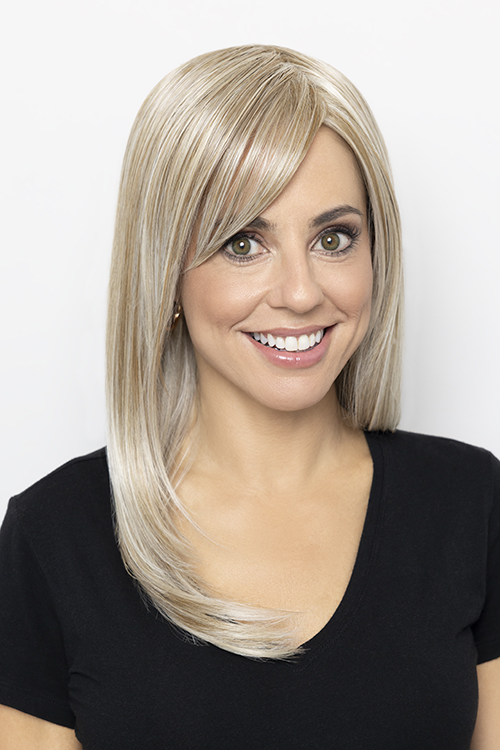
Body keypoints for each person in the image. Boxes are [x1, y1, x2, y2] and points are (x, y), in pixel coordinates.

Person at [0, 44, 499, 749]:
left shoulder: (470, 503)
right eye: (243, 243)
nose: (300, 292)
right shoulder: (55, 537)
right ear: (166, 272)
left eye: (334, 238)